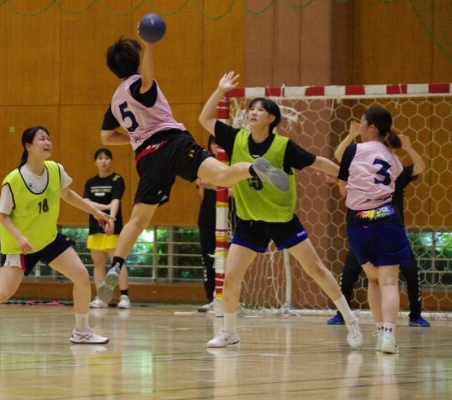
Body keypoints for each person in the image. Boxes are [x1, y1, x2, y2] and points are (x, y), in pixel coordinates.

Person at [96, 35, 289, 304]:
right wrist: (149, 44)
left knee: (138, 219)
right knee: (222, 175)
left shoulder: (116, 101)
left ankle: (117, 265)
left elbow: (106, 137)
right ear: (137, 61)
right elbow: (147, 78)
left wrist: (136, 137)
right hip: (173, 142)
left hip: (147, 158)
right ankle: (254, 169)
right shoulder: (140, 84)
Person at [199, 71, 362, 349]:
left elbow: (318, 162)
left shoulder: (283, 146)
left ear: (272, 118)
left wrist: (345, 177)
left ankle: (351, 320)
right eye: (251, 109)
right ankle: (229, 332)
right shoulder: (236, 138)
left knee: (315, 269)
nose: (253, 112)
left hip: (282, 220)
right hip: (249, 221)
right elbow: (204, 119)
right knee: (231, 278)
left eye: (260, 110)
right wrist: (220, 89)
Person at [0, 126, 114, 345]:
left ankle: (81, 331)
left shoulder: (55, 170)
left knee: (81, 276)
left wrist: (95, 212)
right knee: (1, 294)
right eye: (41, 139)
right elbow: (2, 215)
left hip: (48, 239)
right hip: (19, 246)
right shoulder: (14, 180)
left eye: (48, 138)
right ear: (28, 146)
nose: (47, 142)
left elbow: (67, 194)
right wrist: (19, 237)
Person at [326, 130, 429, 327]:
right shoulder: (368, 169)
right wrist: (340, 178)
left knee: (409, 271)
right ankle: (342, 314)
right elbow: (342, 162)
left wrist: (409, 148)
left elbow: (420, 167)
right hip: (372, 227)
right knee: (350, 272)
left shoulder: (396, 170)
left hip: (386, 229)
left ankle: (415, 316)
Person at [337, 107, 413, 354]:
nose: (358, 126)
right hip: (388, 218)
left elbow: (343, 190)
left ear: (371, 127)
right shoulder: (393, 158)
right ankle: (388, 337)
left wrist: (345, 183)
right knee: (389, 281)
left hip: (360, 221)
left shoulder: (353, 150)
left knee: (373, 279)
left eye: (361, 122)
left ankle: (380, 330)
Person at [84, 148, 131, 309]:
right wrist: (104, 207)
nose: (103, 161)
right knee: (98, 263)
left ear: (111, 160)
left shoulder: (117, 179)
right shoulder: (90, 182)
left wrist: (111, 219)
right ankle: (101, 298)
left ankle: (124, 297)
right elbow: (86, 202)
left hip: (112, 228)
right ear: (95, 162)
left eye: (106, 158)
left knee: (117, 262)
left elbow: (116, 201)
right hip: (95, 227)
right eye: (100, 158)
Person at [196, 136, 220, 311]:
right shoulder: (206, 165)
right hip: (207, 216)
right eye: (213, 142)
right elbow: (201, 195)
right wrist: (203, 185)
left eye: (219, 142)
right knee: (208, 257)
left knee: (227, 258)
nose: (216, 145)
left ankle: (227, 296)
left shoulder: (232, 165)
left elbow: (235, 191)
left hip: (228, 217)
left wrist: (214, 185)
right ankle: (211, 297)